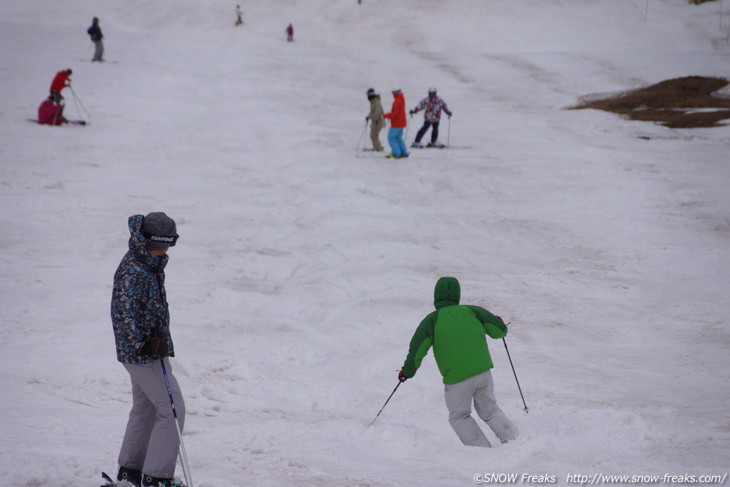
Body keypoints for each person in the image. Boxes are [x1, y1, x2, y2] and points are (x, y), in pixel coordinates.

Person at [399, 277, 518, 447]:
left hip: (457, 380)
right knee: (490, 411)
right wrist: (499, 322)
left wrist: (406, 372)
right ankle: (515, 440)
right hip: (483, 373)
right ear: (457, 295)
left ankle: (482, 452)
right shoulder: (474, 311)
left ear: (436, 296)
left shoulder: (432, 320)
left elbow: (417, 350)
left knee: (459, 416)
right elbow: (500, 331)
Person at [111, 213, 185, 487]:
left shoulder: (149, 261)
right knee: (172, 409)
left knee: (146, 409)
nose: (166, 250)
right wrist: (145, 344)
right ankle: (157, 477)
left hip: (144, 350)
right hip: (142, 353)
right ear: (149, 240)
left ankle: (131, 472)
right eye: (163, 244)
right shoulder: (135, 269)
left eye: (171, 244)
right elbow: (124, 313)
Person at [382, 88, 409, 159]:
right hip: (402, 122)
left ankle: (397, 153)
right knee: (398, 138)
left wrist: (385, 115)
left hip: (397, 123)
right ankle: (404, 152)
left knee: (391, 137)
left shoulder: (396, 101)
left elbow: (394, 113)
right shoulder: (402, 99)